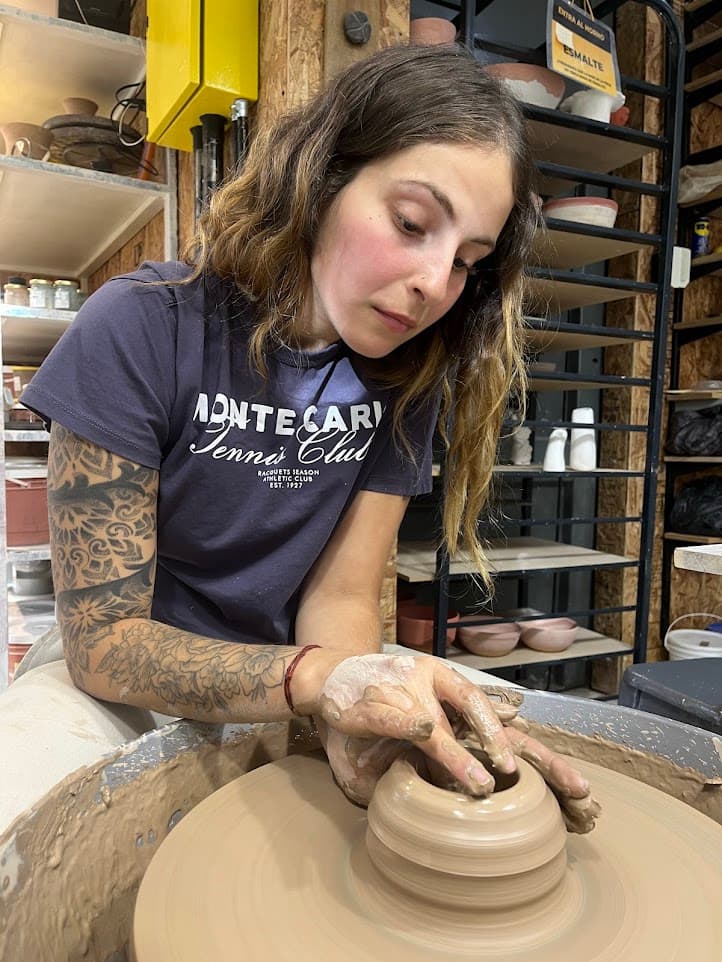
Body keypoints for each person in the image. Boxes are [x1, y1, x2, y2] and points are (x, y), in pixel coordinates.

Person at [22, 43, 598, 832]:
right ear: (321, 178)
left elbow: (343, 594)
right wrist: (318, 681)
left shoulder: (406, 376)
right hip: (122, 681)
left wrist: (356, 710)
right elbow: (104, 644)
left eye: (468, 260)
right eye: (411, 224)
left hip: (292, 671)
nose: (435, 284)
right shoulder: (142, 325)